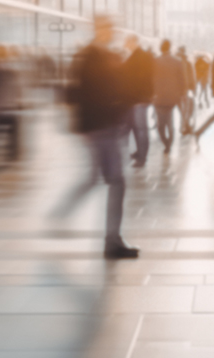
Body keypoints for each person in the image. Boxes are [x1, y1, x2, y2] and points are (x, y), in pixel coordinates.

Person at [53, 15, 137, 259]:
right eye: (108, 28)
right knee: (116, 181)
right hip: (100, 127)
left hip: (100, 126)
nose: (111, 33)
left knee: (94, 178)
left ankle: (61, 214)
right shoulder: (91, 56)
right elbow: (82, 93)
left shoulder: (97, 55)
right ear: (99, 30)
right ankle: (112, 241)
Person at [122, 35, 154, 167]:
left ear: (134, 42)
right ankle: (139, 153)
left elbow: (140, 79)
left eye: (127, 42)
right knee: (135, 128)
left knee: (140, 129)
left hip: (138, 99)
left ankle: (142, 158)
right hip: (137, 99)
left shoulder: (140, 56)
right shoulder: (139, 55)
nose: (126, 45)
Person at [153, 40, 187, 155]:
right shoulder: (177, 62)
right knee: (169, 121)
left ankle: (166, 143)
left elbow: (151, 79)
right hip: (172, 96)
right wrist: (182, 93)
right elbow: (182, 79)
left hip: (159, 96)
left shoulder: (155, 61)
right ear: (170, 48)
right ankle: (169, 144)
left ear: (160, 48)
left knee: (160, 125)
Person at [177, 46, 196, 134]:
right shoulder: (187, 63)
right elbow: (191, 77)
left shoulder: (176, 61)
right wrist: (193, 88)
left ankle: (185, 126)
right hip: (185, 89)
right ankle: (184, 127)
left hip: (180, 90)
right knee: (187, 109)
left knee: (184, 110)